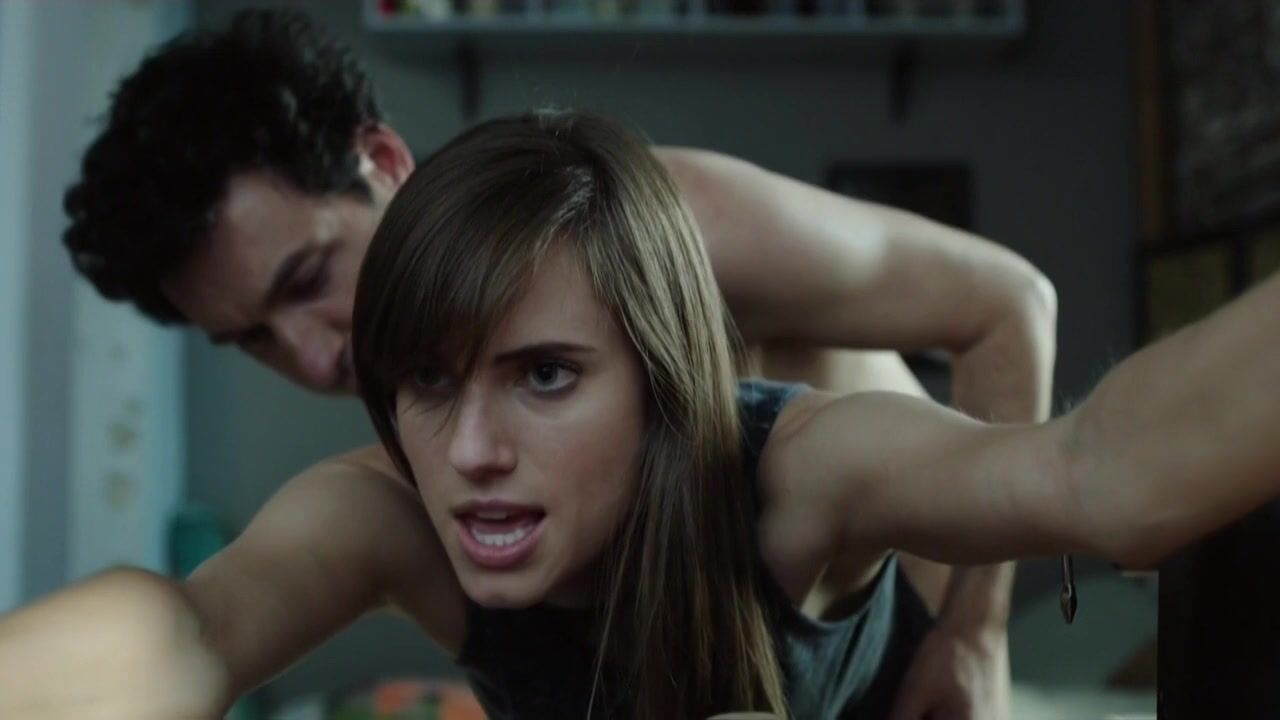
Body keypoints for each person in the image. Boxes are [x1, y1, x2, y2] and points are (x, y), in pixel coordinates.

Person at [7, 108, 1279, 720]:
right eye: (426, 381)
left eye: (545, 376)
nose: (469, 453)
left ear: (661, 366)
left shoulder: (798, 457)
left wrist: (973, 635)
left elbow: (1092, 465)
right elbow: (190, 629)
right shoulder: (388, 509)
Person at [60, 9, 1057, 717]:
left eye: (308, 278)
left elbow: (1007, 304)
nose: (317, 355)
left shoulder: (676, 228)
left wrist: (974, 632)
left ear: (384, 162)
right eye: (255, 339)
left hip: (887, 648)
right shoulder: (431, 447)